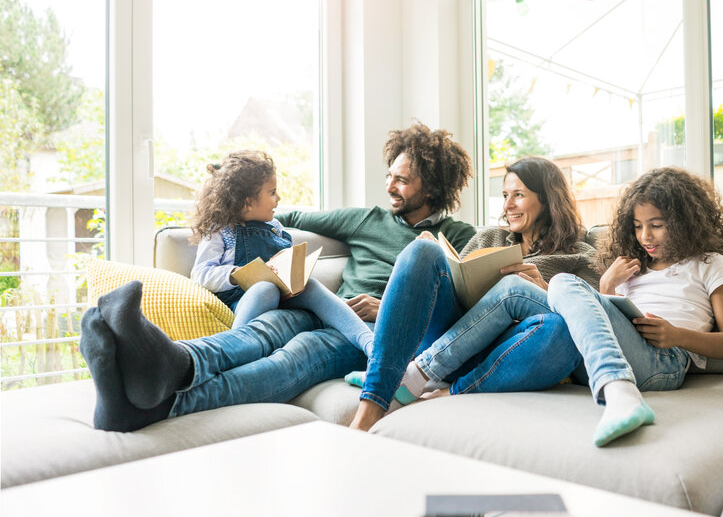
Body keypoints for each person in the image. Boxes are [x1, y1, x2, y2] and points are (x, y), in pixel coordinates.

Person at [79, 123, 476, 432]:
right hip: (322, 310)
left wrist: (390, 305)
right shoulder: (367, 218)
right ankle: (173, 362)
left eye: (402, 180)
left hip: (370, 334)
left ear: (434, 187)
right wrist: (233, 205)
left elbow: (461, 307)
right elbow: (289, 218)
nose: (389, 185)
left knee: (290, 360)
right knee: (258, 334)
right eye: (390, 175)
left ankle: (164, 402)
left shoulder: (458, 238)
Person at [346, 156, 600, 431]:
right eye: (505, 195)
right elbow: (457, 279)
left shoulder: (581, 256)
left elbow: (591, 322)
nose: (508, 205)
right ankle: (371, 406)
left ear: (548, 200)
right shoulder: (489, 238)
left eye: (518, 195)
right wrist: (439, 263)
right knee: (423, 251)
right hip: (453, 336)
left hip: (512, 354)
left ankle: (447, 388)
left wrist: (545, 290)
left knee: (559, 330)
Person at [546, 166, 723, 447]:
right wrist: (607, 286)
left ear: (683, 222)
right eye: (638, 226)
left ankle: (621, 394)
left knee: (563, 283)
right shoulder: (632, 269)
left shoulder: (709, 264)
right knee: (527, 292)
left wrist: (677, 336)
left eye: (656, 225)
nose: (645, 237)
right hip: (613, 354)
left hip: (664, 361)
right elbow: (602, 323)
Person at [188, 150, 373, 370]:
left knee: (310, 285)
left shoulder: (275, 227)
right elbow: (200, 274)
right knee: (264, 288)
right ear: (247, 202)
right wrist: (237, 274)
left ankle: (369, 342)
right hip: (244, 297)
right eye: (272, 193)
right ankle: (232, 353)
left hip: (283, 293)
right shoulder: (219, 230)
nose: (279, 199)